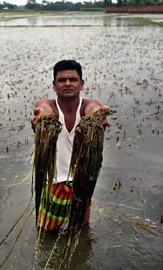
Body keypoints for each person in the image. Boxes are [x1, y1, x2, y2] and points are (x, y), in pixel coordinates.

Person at [31, 60, 109, 231]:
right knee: (47, 229)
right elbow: (43, 108)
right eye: (62, 80)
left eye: (72, 79)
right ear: (54, 85)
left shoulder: (87, 106)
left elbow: (94, 109)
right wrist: (42, 118)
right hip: (52, 181)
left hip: (82, 179)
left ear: (81, 84)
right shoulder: (49, 105)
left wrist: (97, 117)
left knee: (80, 229)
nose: (67, 83)